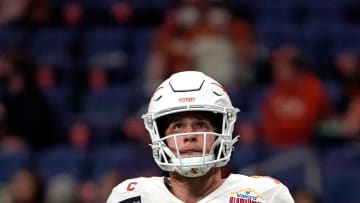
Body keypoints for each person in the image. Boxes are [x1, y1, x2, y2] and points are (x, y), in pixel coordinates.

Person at [106, 71, 294, 203]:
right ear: (160, 136)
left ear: (223, 131)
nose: (190, 135)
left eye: (201, 125)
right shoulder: (129, 197)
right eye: (178, 126)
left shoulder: (264, 196)